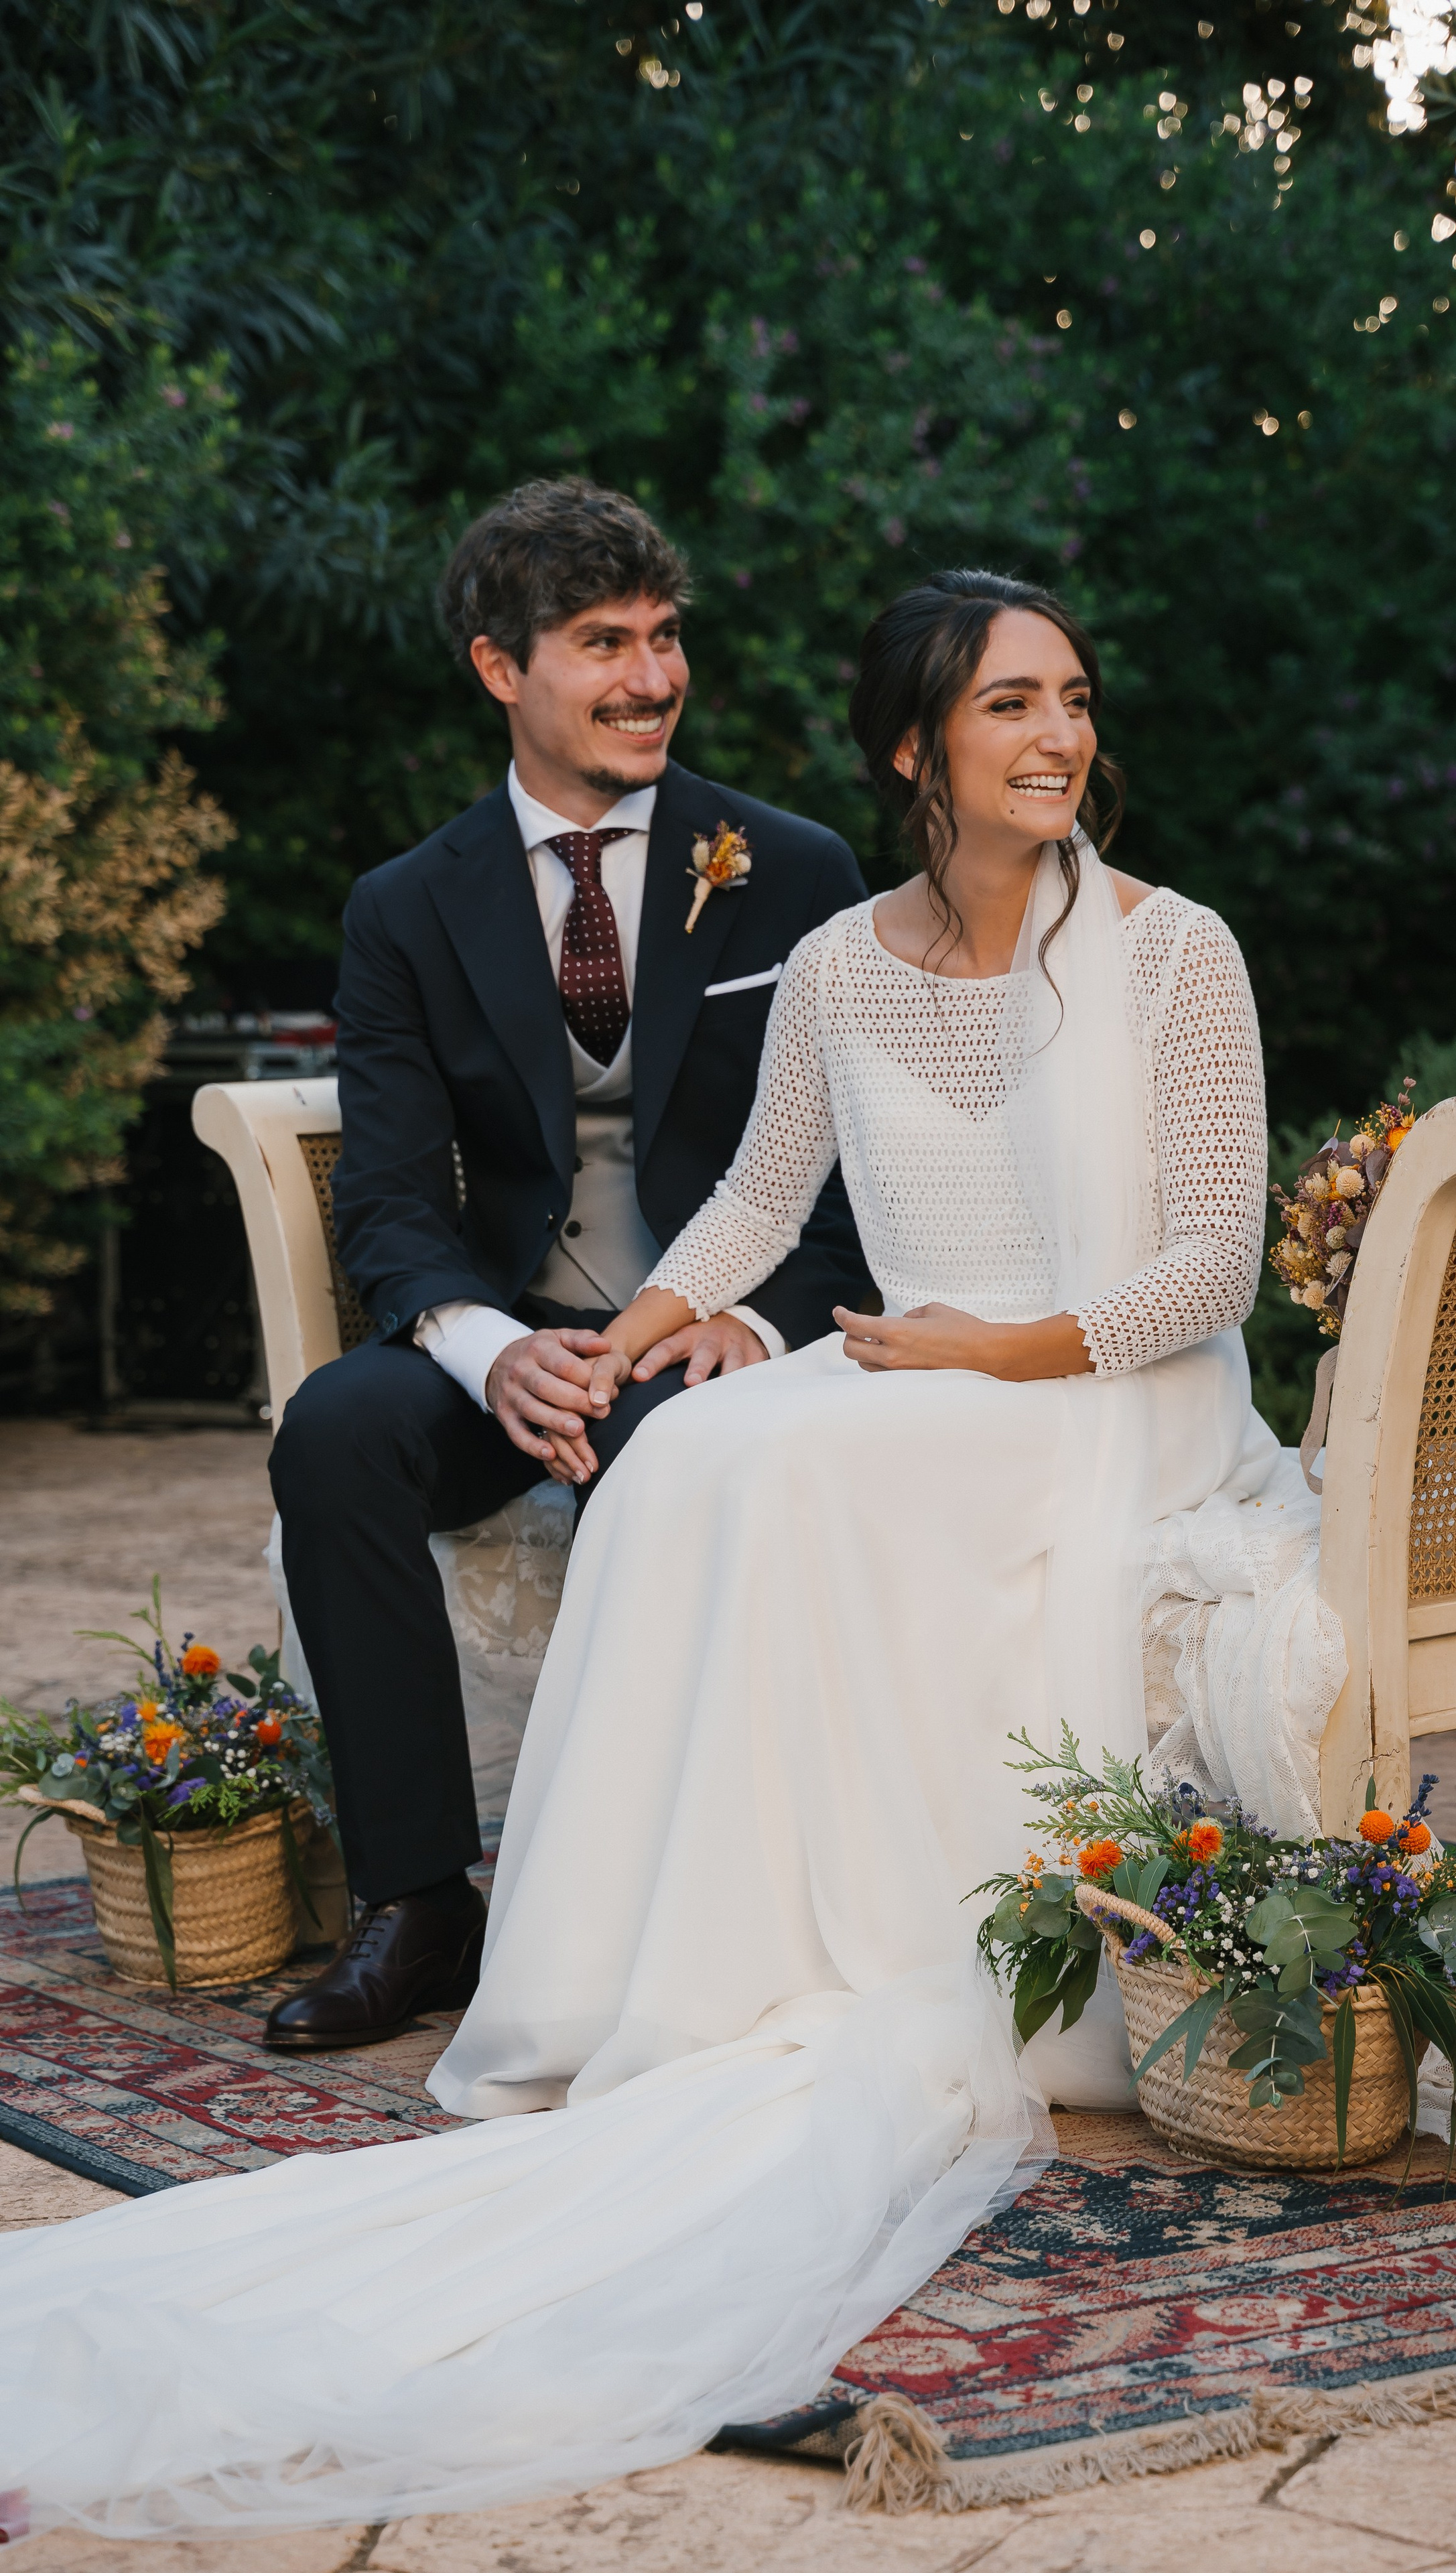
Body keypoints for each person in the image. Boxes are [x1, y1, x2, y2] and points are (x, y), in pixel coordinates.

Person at [0, 570, 1280, 2539]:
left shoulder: (1177, 950)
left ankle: (834, 1957)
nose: (1059, 735)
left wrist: (979, 1346)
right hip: (914, 1370)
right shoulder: (846, 958)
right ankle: (625, 1974)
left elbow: (1211, 1263)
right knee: (691, 1467)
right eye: (1012, 704)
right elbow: (761, 1201)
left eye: (1075, 699)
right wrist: (641, 1325)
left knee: (794, 1466)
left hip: (1103, 1382)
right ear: (915, 749)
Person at [265, 476, 872, 2050]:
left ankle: (627, 1915)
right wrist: (484, 1347)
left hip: (720, 1344)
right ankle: (419, 1905)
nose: (652, 678)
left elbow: (854, 1164)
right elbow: (390, 1200)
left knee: (656, 1441)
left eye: (665, 638)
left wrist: (746, 1316)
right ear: (498, 669)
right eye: (602, 643)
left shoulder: (791, 867)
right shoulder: (405, 907)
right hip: (522, 1341)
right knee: (335, 1429)